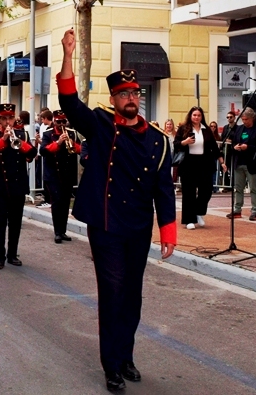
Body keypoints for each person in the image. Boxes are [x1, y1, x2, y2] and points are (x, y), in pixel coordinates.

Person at [57, 29, 175, 392]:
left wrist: (168, 230)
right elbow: (69, 103)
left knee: (133, 294)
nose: (131, 99)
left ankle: (126, 356)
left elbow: (163, 187)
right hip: (106, 225)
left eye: (135, 93)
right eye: (124, 94)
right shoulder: (100, 123)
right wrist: (68, 54)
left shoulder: (157, 139)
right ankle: (111, 364)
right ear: (113, 98)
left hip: (138, 226)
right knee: (112, 291)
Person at [0, 103, 37, 269]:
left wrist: (19, 142)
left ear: (15, 119)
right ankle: (0, 256)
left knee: (15, 223)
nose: (8, 122)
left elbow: (32, 154)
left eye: (11, 118)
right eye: (4, 118)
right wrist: (4, 139)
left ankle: (12, 254)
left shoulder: (23, 135)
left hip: (17, 187)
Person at [173, 107, 224, 230]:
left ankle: (199, 212)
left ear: (202, 117)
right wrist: (185, 142)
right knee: (188, 192)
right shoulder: (183, 129)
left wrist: (222, 161)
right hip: (188, 163)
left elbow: (214, 147)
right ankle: (189, 220)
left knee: (206, 191)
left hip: (204, 163)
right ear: (190, 116)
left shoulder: (206, 130)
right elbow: (176, 144)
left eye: (199, 115)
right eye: (194, 115)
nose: (196, 117)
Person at [39, 110, 81, 243]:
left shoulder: (72, 133)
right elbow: (43, 151)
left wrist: (72, 144)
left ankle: (63, 231)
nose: (61, 124)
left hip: (67, 174)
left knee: (65, 203)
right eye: (59, 122)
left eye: (64, 121)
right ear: (54, 121)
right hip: (53, 174)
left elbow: (81, 149)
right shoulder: (47, 133)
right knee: (56, 202)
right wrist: (57, 143)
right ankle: (57, 232)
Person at [226, 107, 256, 221]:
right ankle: (237, 209)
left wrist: (248, 147)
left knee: (253, 188)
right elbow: (232, 142)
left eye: (246, 119)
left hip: (251, 163)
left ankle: (254, 210)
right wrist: (235, 147)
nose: (244, 121)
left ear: (252, 118)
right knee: (238, 188)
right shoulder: (239, 129)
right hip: (239, 162)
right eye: (242, 119)